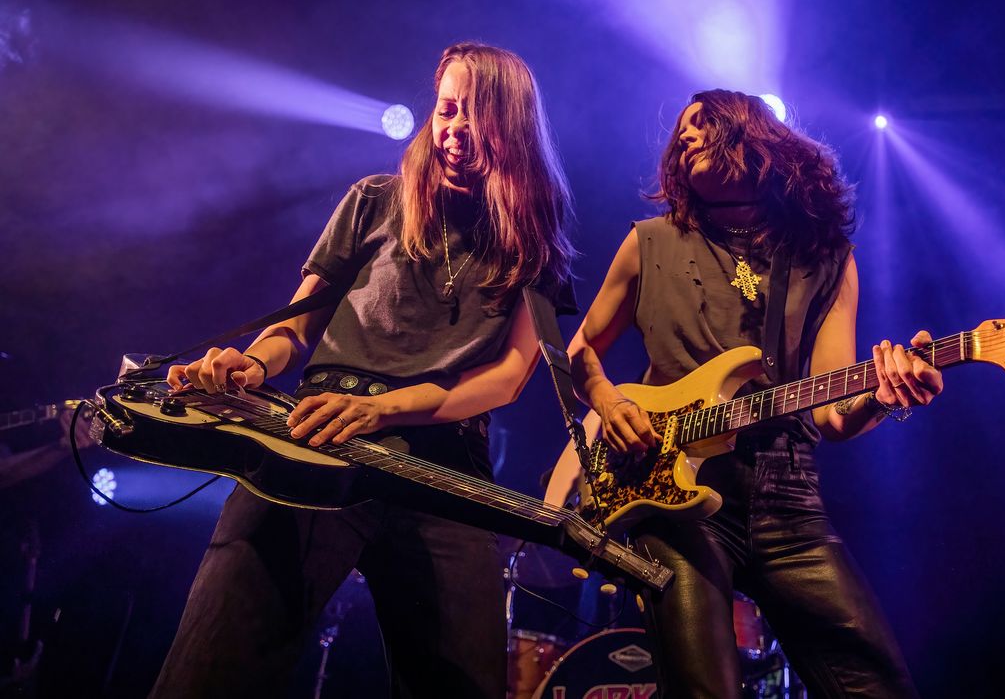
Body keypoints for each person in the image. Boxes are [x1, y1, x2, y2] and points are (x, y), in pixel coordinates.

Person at [151, 42, 575, 698]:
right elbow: (293, 330)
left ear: (510, 123)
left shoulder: (535, 238)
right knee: (211, 671)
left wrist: (387, 408)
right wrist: (248, 365)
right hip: (316, 442)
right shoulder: (375, 201)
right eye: (445, 111)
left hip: (444, 469)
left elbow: (512, 375)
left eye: (472, 115)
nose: (453, 131)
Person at [563, 90, 942, 697]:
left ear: (752, 135)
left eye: (701, 125)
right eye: (680, 132)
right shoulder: (650, 242)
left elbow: (834, 414)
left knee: (876, 684)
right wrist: (611, 403)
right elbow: (580, 351)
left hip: (787, 494)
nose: (683, 138)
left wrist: (885, 393)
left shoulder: (826, 258)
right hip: (673, 491)